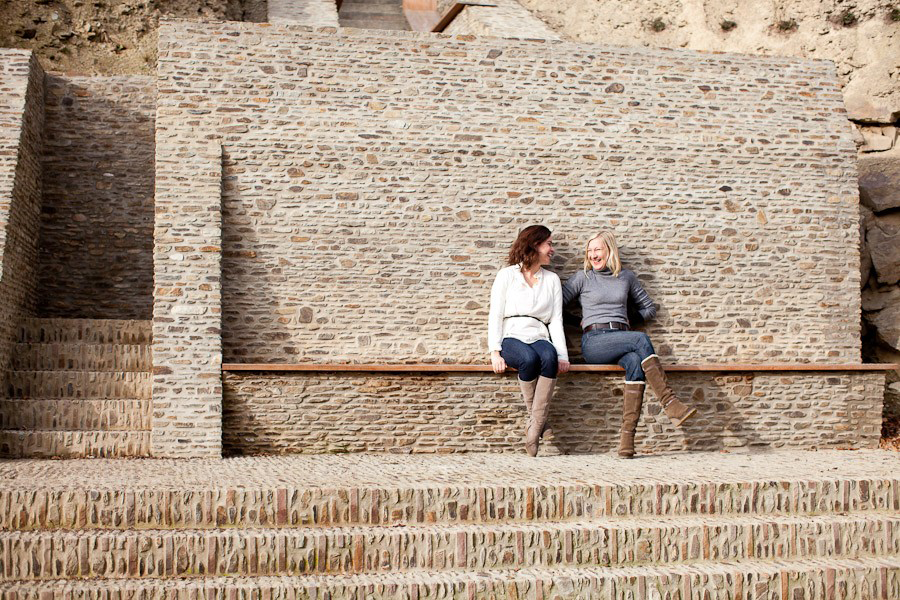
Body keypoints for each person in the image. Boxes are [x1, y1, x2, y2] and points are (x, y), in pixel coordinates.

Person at [562, 230, 696, 458]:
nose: (593, 255)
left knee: (635, 362)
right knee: (640, 338)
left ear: (609, 251)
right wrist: (579, 322)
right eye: (590, 250)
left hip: (622, 340)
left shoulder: (626, 278)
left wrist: (624, 321)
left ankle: (627, 441)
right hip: (594, 342)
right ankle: (669, 402)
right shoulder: (582, 278)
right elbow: (555, 307)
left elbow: (649, 308)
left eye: (598, 250)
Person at [488, 225, 570, 457]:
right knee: (528, 359)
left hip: (539, 334)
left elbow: (555, 320)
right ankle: (541, 425)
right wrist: (495, 351)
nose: (552, 249)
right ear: (535, 245)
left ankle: (533, 431)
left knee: (548, 357)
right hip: (512, 334)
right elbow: (495, 313)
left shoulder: (552, 280)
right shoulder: (507, 275)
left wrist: (562, 355)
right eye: (549, 244)